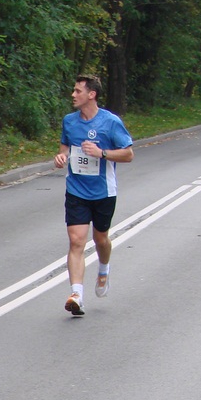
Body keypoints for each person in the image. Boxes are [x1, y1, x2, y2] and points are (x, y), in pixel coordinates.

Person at [53, 74, 134, 316]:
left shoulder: (110, 122)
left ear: (92, 94)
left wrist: (102, 153)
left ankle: (104, 268)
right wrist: (61, 157)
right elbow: (65, 148)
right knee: (77, 241)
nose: (73, 95)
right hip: (76, 190)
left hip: (103, 192)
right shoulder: (69, 121)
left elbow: (128, 154)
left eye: (78, 91)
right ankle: (76, 294)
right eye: (74, 90)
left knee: (101, 240)